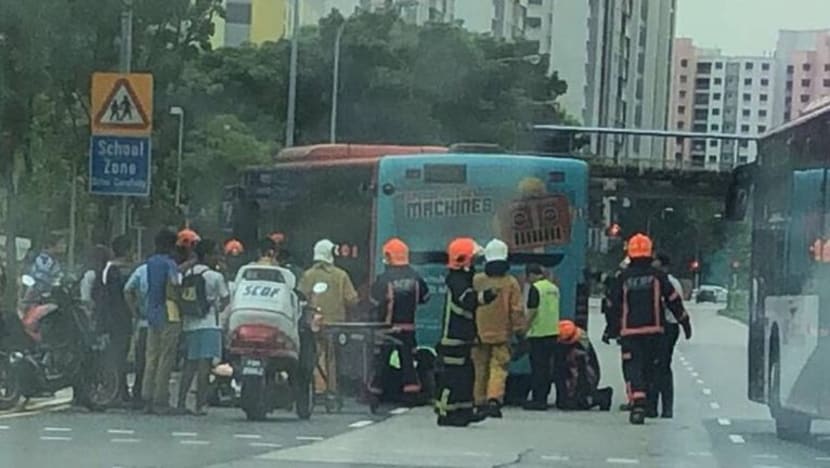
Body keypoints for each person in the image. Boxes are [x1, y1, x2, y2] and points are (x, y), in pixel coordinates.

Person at [609, 233, 692, 425]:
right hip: (654, 332)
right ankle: (649, 405)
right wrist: (684, 322)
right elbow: (673, 300)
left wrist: (612, 330)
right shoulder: (658, 276)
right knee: (650, 368)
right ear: (650, 253)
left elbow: (613, 305)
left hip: (630, 333)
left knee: (633, 367)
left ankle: (638, 402)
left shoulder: (623, 277)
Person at [435, 238, 497, 427]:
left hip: (463, 337)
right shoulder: (456, 280)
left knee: (466, 375)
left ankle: (464, 411)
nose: (476, 264)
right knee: (453, 377)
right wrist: (487, 296)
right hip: (453, 338)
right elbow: (467, 300)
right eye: (474, 259)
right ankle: (446, 413)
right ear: (463, 260)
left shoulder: (464, 279)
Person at [368, 238, 430, 404]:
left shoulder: (383, 279)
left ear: (389, 257)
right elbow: (425, 298)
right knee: (408, 362)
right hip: (409, 328)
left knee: (381, 362)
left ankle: (374, 394)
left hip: (386, 328)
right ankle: (412, 394)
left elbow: (374, 300)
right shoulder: (416, 278)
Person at [298, 239, 359, 396]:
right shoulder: (341, 276)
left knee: (313, 355)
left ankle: (315, 388)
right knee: (332, 358)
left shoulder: (307, 275)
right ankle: (331, 389)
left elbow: (300, 298)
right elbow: (352, 300)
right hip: (335, 325)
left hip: (312, 325)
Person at [471, 239, 524, 418]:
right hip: (502, 334)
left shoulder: (477, 280)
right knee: (498, 368)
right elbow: (516, 310)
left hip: (478, 334)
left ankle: (479, 401)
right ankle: (493, 400)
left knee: (479, 369)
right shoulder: (510, 283)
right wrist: (520, 331)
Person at [176, 239, 229, 415]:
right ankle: (200, 404)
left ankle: (181, 402)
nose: (217, 257)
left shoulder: (187, 273)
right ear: (206, 256)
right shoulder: (215, 276)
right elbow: (225, 299)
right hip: (209, 324)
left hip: (189, 324)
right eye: (215, 253)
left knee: (189, 365)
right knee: (204, 366)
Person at [141, 229, 183, 414]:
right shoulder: (169, 264)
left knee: (151, 357)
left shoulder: (151, 262)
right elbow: (173, 286)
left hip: (153, 311)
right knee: (166, 358)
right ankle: (161, 398)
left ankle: (147, 396)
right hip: (170, 312)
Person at [100, 235, 135, 405]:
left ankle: (119, 390)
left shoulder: (109, 269)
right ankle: (118, 391)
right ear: (127, 251)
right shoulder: (117, 270)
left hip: (114, 316)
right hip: (120, 317)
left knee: (119, 354)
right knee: (119, 354)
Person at [523, 263, 562, 411]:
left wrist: (524, 329)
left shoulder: (536, 289)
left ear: (531, 275)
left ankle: (538, 400)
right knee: (546, 368)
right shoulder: (553, 288)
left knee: (538, 369)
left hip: (538, 334)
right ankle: (543, 397)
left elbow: (532, 311)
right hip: (552, 332)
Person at [651, 252, 684, 418]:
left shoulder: (669, 283)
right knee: (655, 367)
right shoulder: (659, 280)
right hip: (661, 328)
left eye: (655, 261)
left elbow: (672, 305)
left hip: (668, 327)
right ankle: (654, 406)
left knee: (662, 367)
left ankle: (665, 407)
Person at [556, 320, 613, 411]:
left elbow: (582, 374)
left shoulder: (579, 352)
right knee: (564, 402)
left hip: (586, 378)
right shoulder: (580, 341)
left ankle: (600, 396)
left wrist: (577, 392)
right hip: (577, 377)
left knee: (573, 404)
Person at [124, 260, 149, 405]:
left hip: (143, 321)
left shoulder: (141, 270)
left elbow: (127, 290)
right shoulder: (169, 267)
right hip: (161, 321)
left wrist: (134, 311)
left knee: (141, 360)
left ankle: (138, 392)